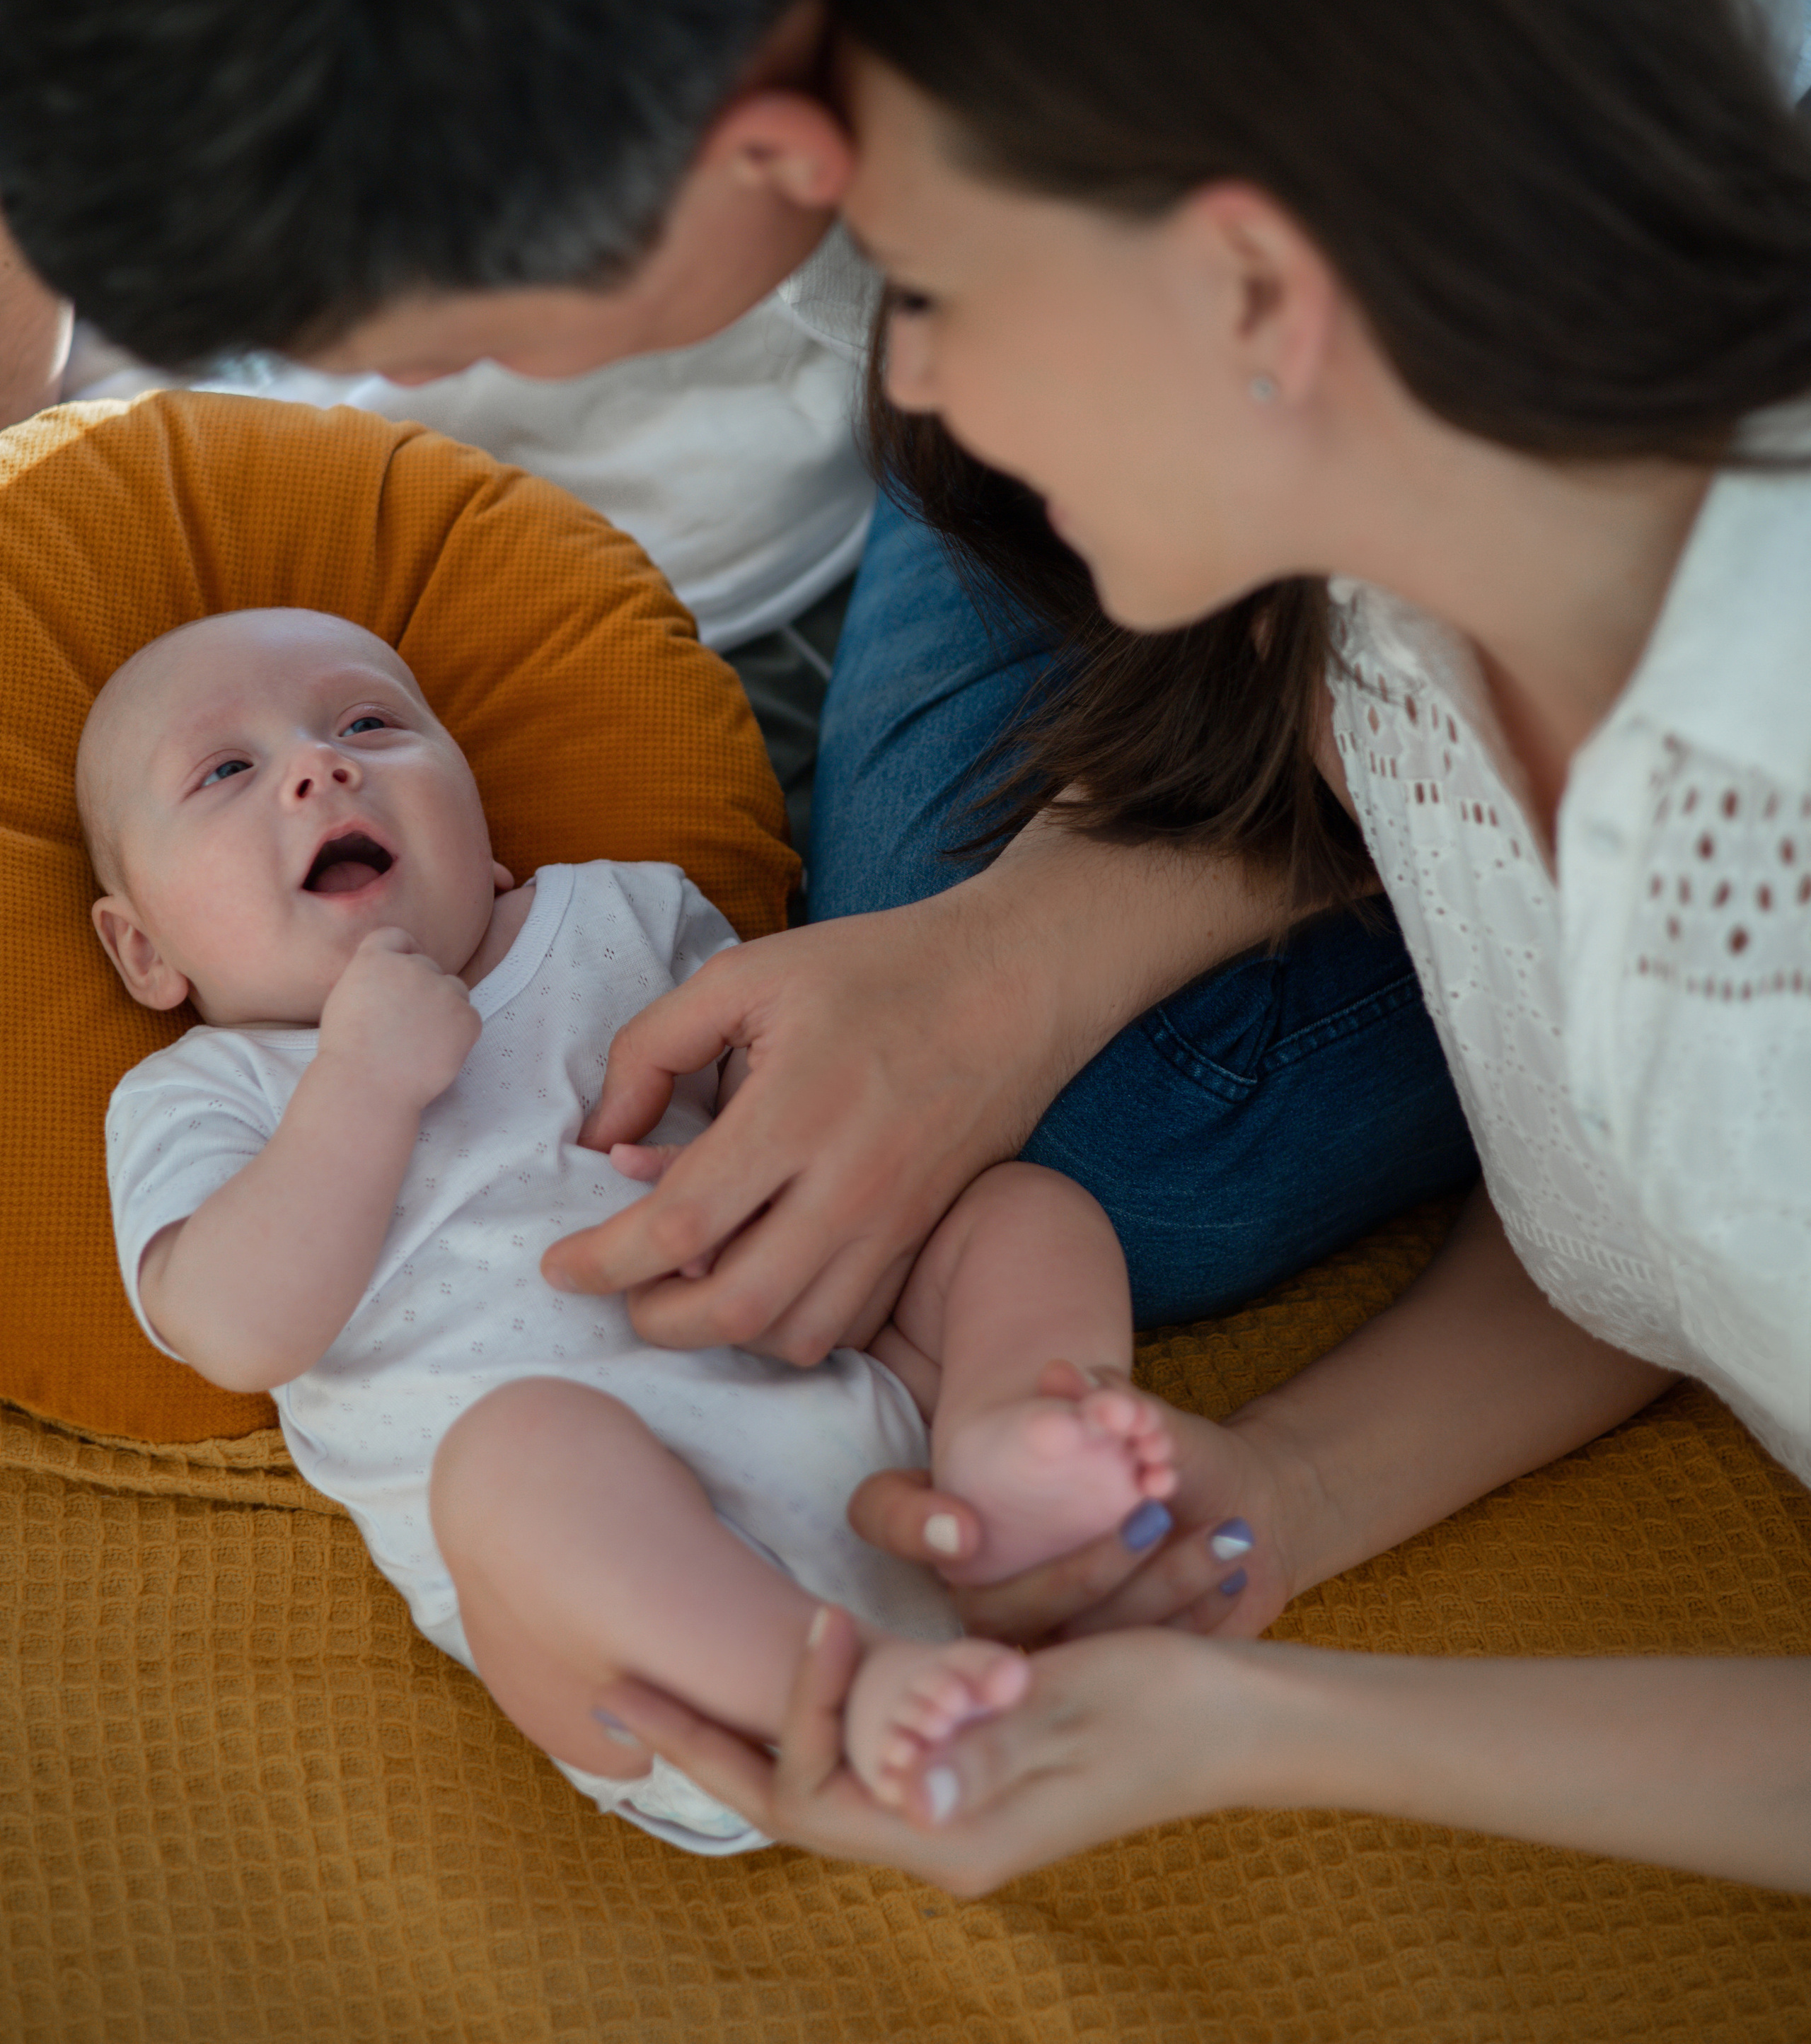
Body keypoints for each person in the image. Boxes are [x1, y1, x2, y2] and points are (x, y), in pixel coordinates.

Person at [0, 0, 1806, 1367]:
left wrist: (1018, 961)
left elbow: (1536, 554)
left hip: (1560, 390)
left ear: (781, 159)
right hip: (1176, 365)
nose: (401, 407)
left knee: (1089, 1146)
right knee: (850, 1124)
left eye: (450, 349)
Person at [579, 0, 1811, 1892]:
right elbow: (1649, 1205)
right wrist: (1286, 1508)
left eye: (934, 287)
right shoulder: (1401, 619)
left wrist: (1264, 1727)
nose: (915, 383)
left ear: (1251, 288)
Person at [86, 606, 1176, 1852]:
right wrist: (362, 1082)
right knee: (511, 1459)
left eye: (371, 724)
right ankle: (842, 1683)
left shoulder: (619, 914)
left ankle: (1012, 1455)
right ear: (144, 950)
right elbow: (234, 1330)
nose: (319, 766)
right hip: (638, 1644)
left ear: (481, 831)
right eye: (225, 770)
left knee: (1013, 1213)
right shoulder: (205, 1091)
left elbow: (809, 1102)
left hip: (861, 1416)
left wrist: (741, 1164)